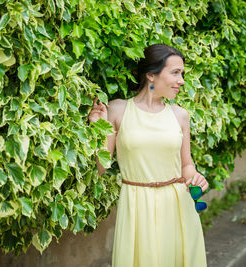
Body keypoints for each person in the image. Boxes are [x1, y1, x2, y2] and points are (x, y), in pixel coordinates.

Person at [88, 44, 208, 267]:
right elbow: (101, 167)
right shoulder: (117, 110)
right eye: (175, 73)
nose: (181, 80)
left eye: (181, 74)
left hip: (177, 207)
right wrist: (97, 128)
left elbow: (186, 165)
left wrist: (196, 178)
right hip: (136, 205)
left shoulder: (180, 115)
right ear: (151, 75)